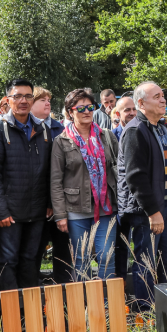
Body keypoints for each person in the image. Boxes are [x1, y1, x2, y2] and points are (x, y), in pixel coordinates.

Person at [118, 82, 167, 309]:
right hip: (146, 212)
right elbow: (135, 177)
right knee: (146, 263)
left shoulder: (160, 127)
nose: (163, 100)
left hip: (165, 206)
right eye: (157, 96)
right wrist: (153, 211)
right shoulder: (136, 131)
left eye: (163, 96)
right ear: (141, 104)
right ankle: (145, 315)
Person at [0, 79, 54, 291]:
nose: (23, 101)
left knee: (31, 260)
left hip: (38, 210)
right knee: (8, 261)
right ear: (8, 100)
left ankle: (30, 314)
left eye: (28, 96)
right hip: (10, 213)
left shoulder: (43, 130)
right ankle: (11, 313)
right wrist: (0, 209)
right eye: (18, 96)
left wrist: (50, 203)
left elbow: (51, 170)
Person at [51, 89, 119, 280]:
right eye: (80, 108)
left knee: (106, 256)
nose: (87, 111)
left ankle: (108, 303)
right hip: (75, 210)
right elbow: (55, 180)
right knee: (82, 259)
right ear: (70, 112)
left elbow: (117, 169)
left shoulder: (107, 136)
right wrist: (60, 215)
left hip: (106, 208)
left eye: (90, 107)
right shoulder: (62, 141)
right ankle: (85, 305)